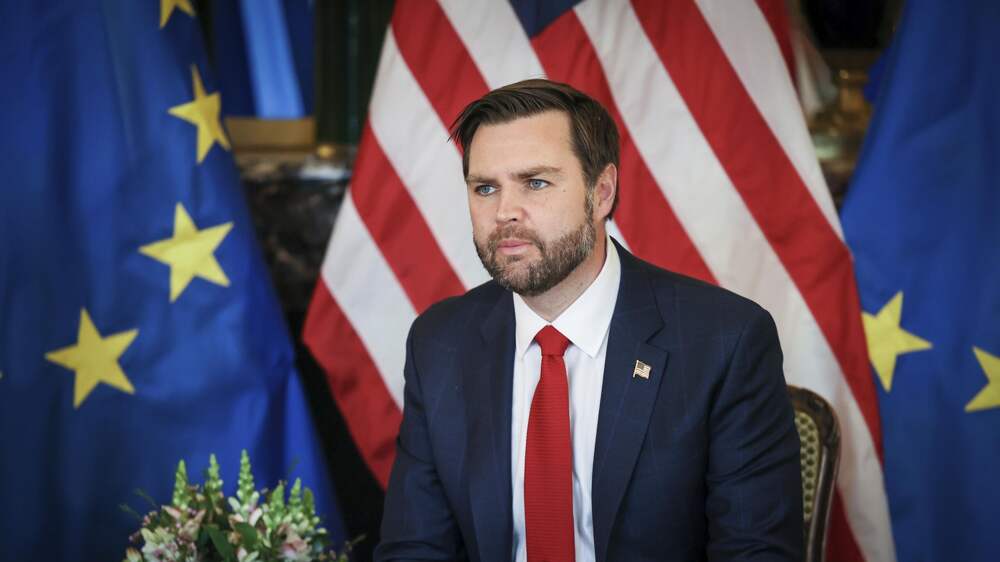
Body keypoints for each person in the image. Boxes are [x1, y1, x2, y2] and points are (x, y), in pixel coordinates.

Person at [375, 79, 802, 562]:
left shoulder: (725, 341)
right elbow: (415, 548)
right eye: (485, 188)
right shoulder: (440, 343)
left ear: (602, 193)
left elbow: (755, 552)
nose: (504, 212)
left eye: (536, 182)